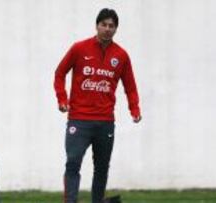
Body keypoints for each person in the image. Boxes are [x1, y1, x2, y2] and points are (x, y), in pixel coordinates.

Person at [54, 8, 141, 203]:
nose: (107, 29)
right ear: (97, 25)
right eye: (104, 25)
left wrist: (134, 109)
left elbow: (131, 87)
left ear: (116, 29)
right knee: (73, 163)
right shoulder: (79, 48)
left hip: (105, 122)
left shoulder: (121, 55)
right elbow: (59, 74)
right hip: (79, 119)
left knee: (101, 167)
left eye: (112, 26)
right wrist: (62, 99)